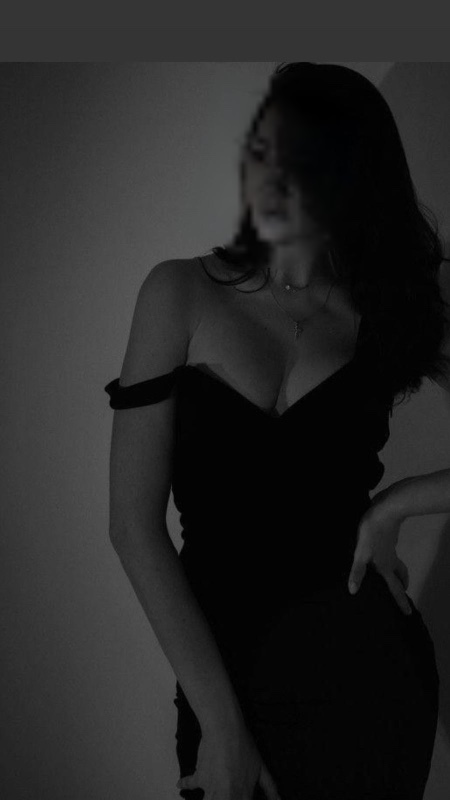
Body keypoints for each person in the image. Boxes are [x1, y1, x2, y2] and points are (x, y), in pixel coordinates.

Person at [104, 63, 450, 799]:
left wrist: (400, 503)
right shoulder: (179, 292)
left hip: (368, 673)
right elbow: (133, 526)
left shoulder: (388, 312)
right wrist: (223, 727)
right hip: (222, 679)